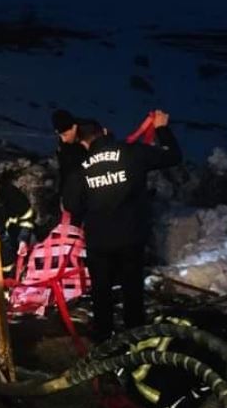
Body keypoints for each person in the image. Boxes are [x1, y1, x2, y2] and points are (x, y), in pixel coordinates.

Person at [62, 110, 181, 342]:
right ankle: (135, 337)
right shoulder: (132, 153)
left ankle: (103, 339)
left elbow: (71, 205)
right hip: (132, 237)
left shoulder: (82, 167)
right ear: (104, 132)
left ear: (84, 141)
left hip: (99, 242)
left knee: (101, 291)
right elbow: (173, 156)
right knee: (132, 290)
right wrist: (161, 129)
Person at [52, 109, 88, 195]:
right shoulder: (65, 140)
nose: (64, 139)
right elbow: (64, 167)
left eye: (65, 135)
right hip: (69, 182)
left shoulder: (88, 136)